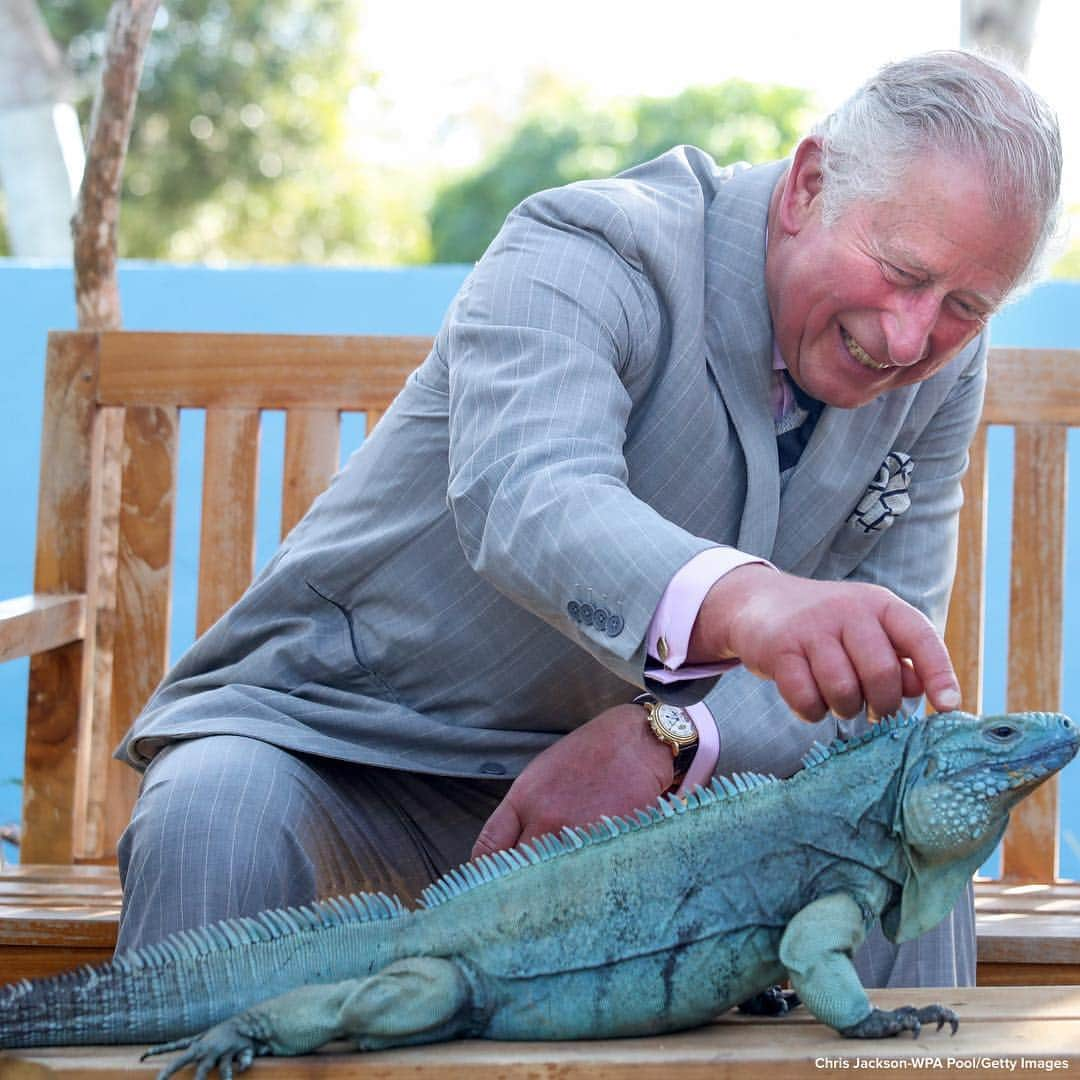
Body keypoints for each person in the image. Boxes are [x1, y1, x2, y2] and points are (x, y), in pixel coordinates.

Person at [114, 50, 1062, 989]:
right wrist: (749, 603)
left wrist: (672, 739)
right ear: (807, 186)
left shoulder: (942, 368)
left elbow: (875, 664)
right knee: (215, 818)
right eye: (900, 271)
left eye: (962, 307)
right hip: (349, 751)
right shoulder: (588, 244)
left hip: (650, 814)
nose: (908, 337)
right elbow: (527, 493)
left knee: (896, 854)